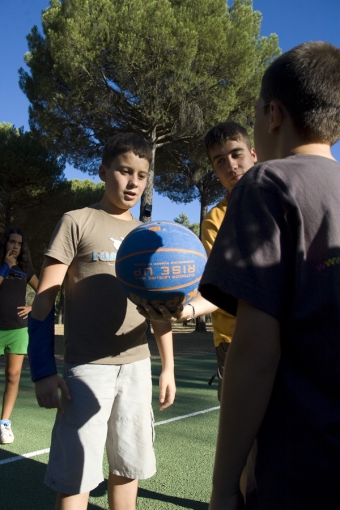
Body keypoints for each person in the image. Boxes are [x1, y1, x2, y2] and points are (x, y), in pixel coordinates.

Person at [199, 41, 340, 510]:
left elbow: (256, 351)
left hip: (299, 461)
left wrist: (223, 488)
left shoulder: (267, 185)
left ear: (272, 114)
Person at [28, 133, 176, 510]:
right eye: (124, 171)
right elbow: (45, 299)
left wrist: (168, 368)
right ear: (102, 171)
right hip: (86, 369)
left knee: (128, 467)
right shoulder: (76, 221)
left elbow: (157, 308)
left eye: (141, 176)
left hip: (137, 366)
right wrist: (42, 369)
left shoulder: (148, 236)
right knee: (76, 474)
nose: (133, 183)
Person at [138, 122, 256, 401]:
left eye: (236, 154)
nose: (231, 165)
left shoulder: (281, 200)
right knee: (241, 431)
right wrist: (185, 310)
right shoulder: (215, 220)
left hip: (284, 334)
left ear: (253, 154)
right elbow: (220, 288)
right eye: (220, 161)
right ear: (214, 171)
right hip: (232, 341)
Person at [0, 227, 38, 444]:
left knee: (13, 376)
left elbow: (45, 291)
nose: (15, 246)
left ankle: (4, 424)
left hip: (18, 330)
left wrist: (32, 307)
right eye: (11, 242)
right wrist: (6, 266)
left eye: (19, 243)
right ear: (5, 243)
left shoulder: (26, 270)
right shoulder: (2, 266)